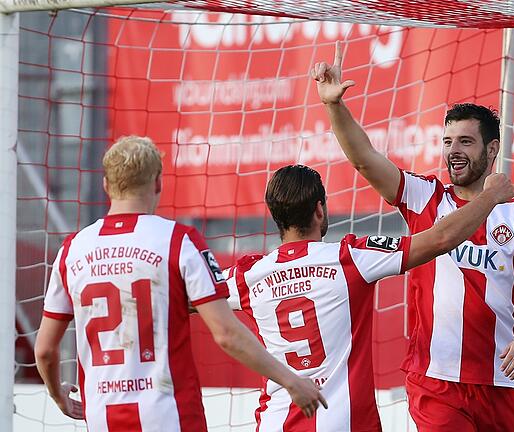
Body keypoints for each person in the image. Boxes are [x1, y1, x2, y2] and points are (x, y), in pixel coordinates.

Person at [311, 43, 514, 431]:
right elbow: (364, 159)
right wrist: (333, 106)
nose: (453, 152)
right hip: (437, 382)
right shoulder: (424, 196)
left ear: (491, 149)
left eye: (465, 142)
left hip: (506, 382)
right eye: (447, 142)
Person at [34, 136, 327, 431]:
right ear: (159, 182)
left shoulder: (72, 250)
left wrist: (57, 395)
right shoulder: (178, 241)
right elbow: (226, 333)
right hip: (168, 414)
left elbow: (45, 350)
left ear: (106, 185)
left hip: (101, 416)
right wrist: (290, 381)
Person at [224, 164, 514, 431]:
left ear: (275, 216)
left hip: (277, 422)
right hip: (347, 423)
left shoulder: (247, 275)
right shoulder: (349, 257)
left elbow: (191, 298)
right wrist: (490, 197)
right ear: (320, 210)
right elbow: (440, 239)